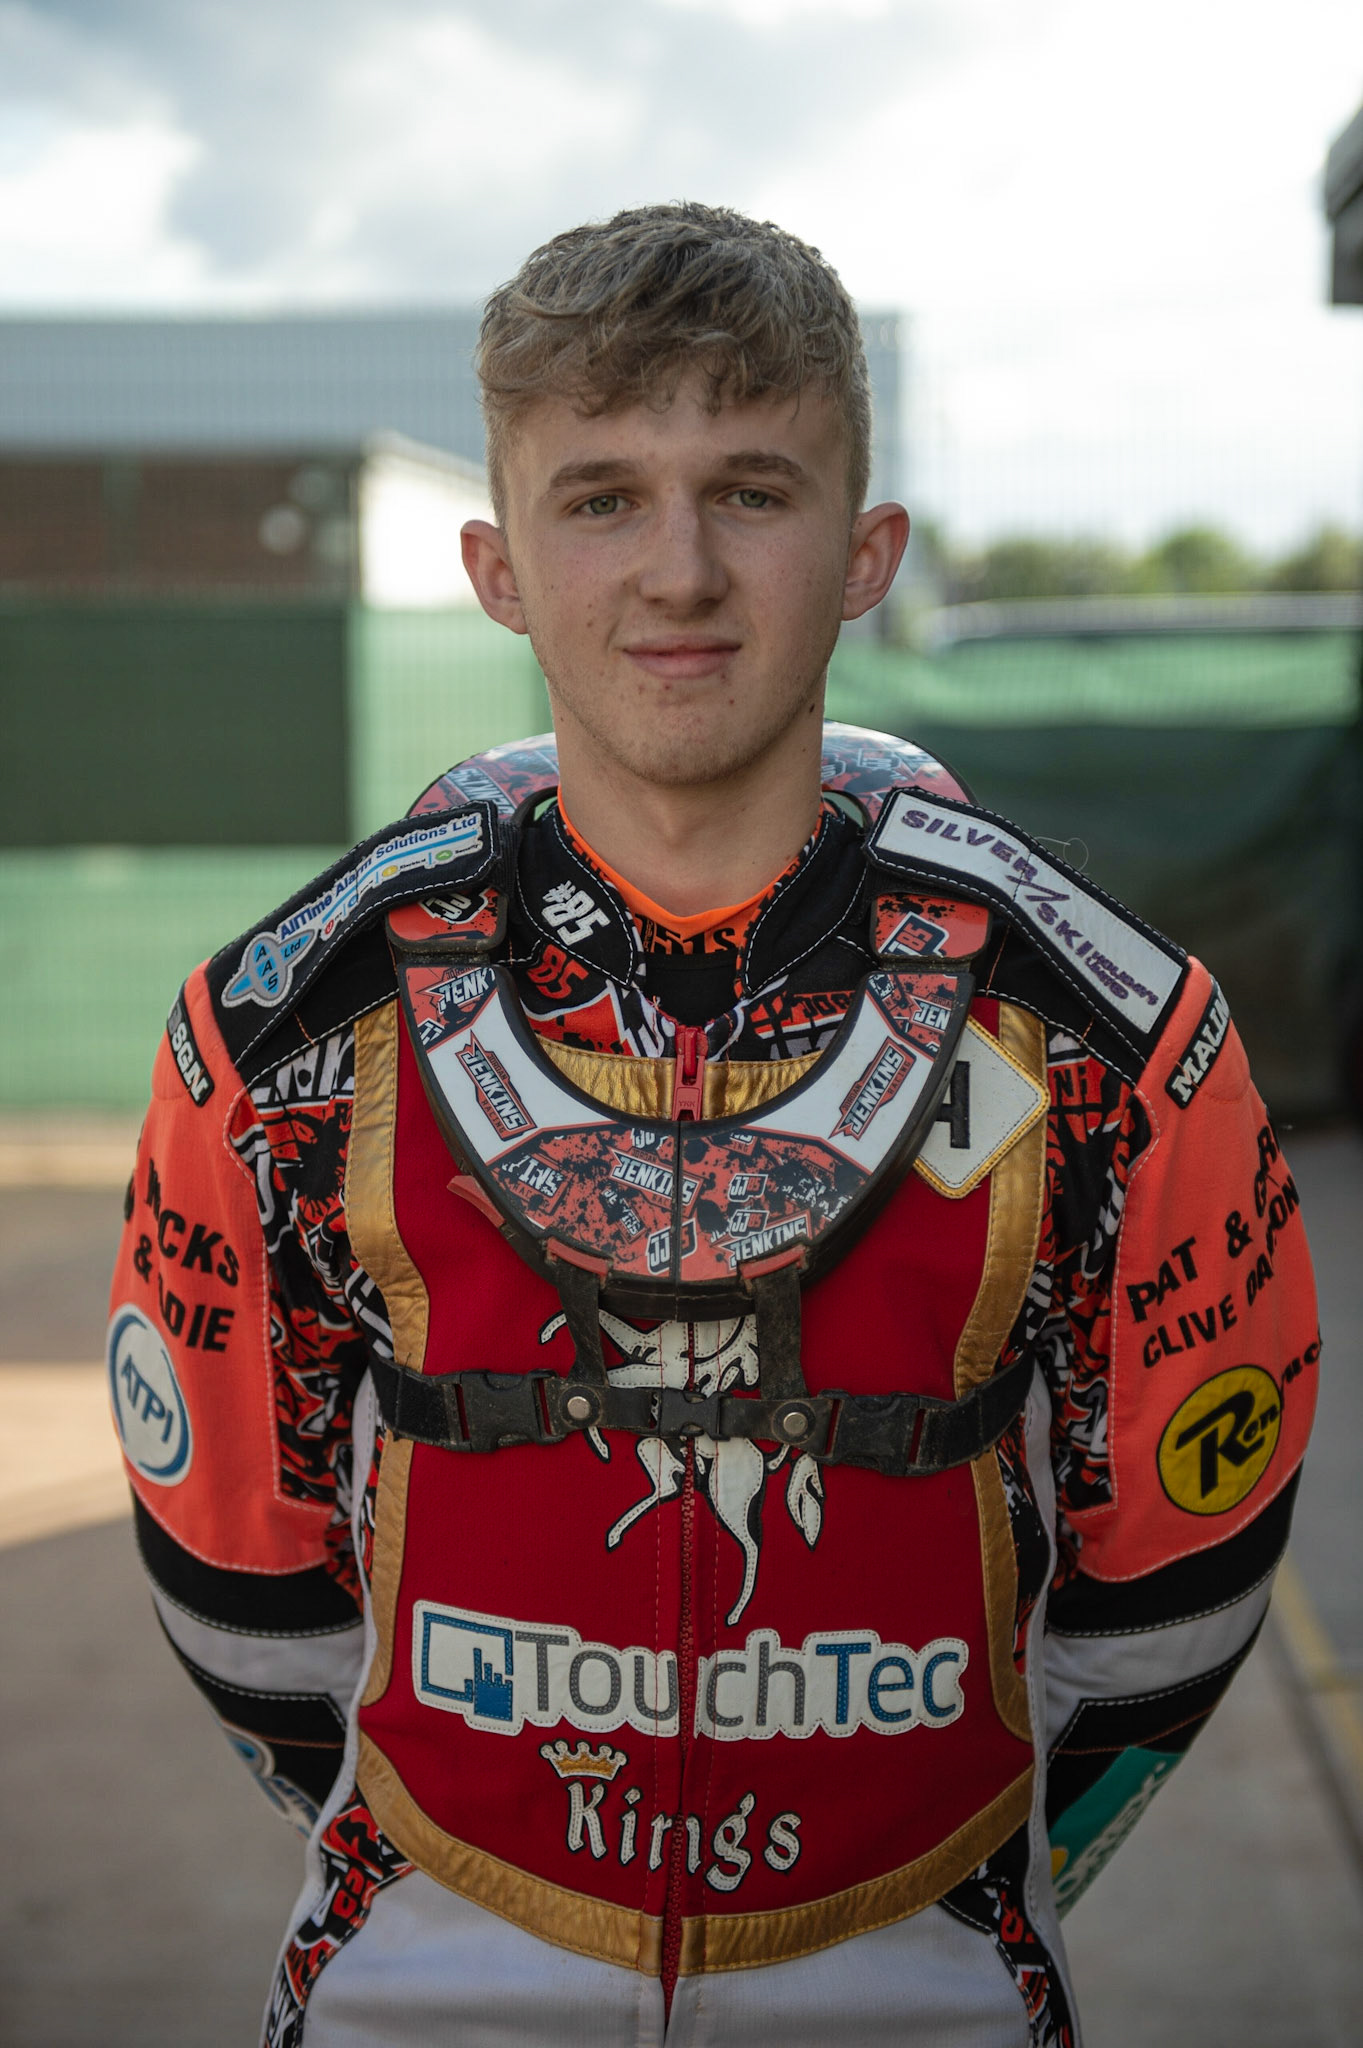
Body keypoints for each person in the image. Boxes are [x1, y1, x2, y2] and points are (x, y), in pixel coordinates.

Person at [108, 204, 1318, 2048]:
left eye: (752, 489)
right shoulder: (285, 1029)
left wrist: (933, 1887)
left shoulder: (1116, 1031)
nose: (677, 570)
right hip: (421, 1972)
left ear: (865, 554)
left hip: (935, 1973)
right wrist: (478, 1855)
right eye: (600, 498)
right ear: (500, 566)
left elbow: (1178, 1592)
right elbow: (239, 1591)